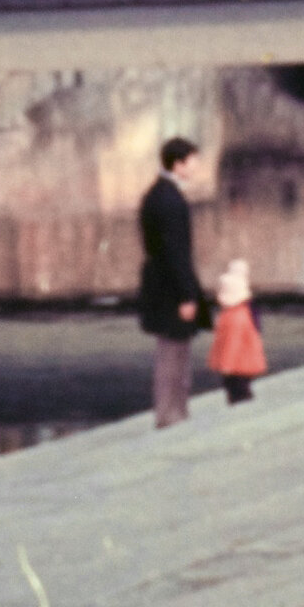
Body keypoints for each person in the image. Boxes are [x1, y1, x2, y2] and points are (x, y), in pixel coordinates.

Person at [137, 138, 211, 428]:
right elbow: (175, 251)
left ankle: (174, 411)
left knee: (175, 347)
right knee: (173, 350)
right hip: (170, 287)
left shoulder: (157, 194)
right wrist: (187, 296)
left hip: (161, 283)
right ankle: (170, 413)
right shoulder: (169, 200)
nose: (195, 167)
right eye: (192, 161)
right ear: (178, 164)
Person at [207, 259, 269, 405]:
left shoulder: (232, 317)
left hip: (237, 363)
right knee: (242, 388)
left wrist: (226, 365)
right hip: (244, 360)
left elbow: (232, 344)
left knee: (236, 390)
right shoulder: (244, 312)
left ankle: (241, 409)